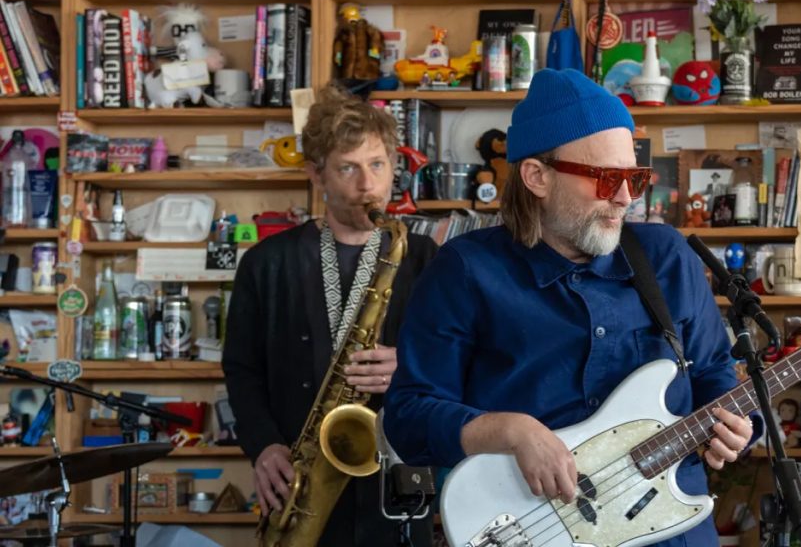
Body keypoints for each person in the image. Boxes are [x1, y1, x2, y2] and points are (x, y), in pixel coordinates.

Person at [384, 68, 753, 547]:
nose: (624, 198)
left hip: (671, 530)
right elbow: (409, 415)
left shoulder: (665, 257)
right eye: (605, 179)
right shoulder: (465, 271)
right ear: (537, 176)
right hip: (530, 529)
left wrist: (737, 428)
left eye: (635, 178)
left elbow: (712, 372)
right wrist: (509, 431)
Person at [223, 84, 438, 547]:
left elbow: (463, 360)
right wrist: (264, 447)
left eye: (378, 165)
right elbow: (241, 369)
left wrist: (410, 367)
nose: (369, 186)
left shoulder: (423, 256)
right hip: (299, 485)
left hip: (397, 482)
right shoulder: (266, 262)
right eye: (349, 169)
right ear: (316, 175)